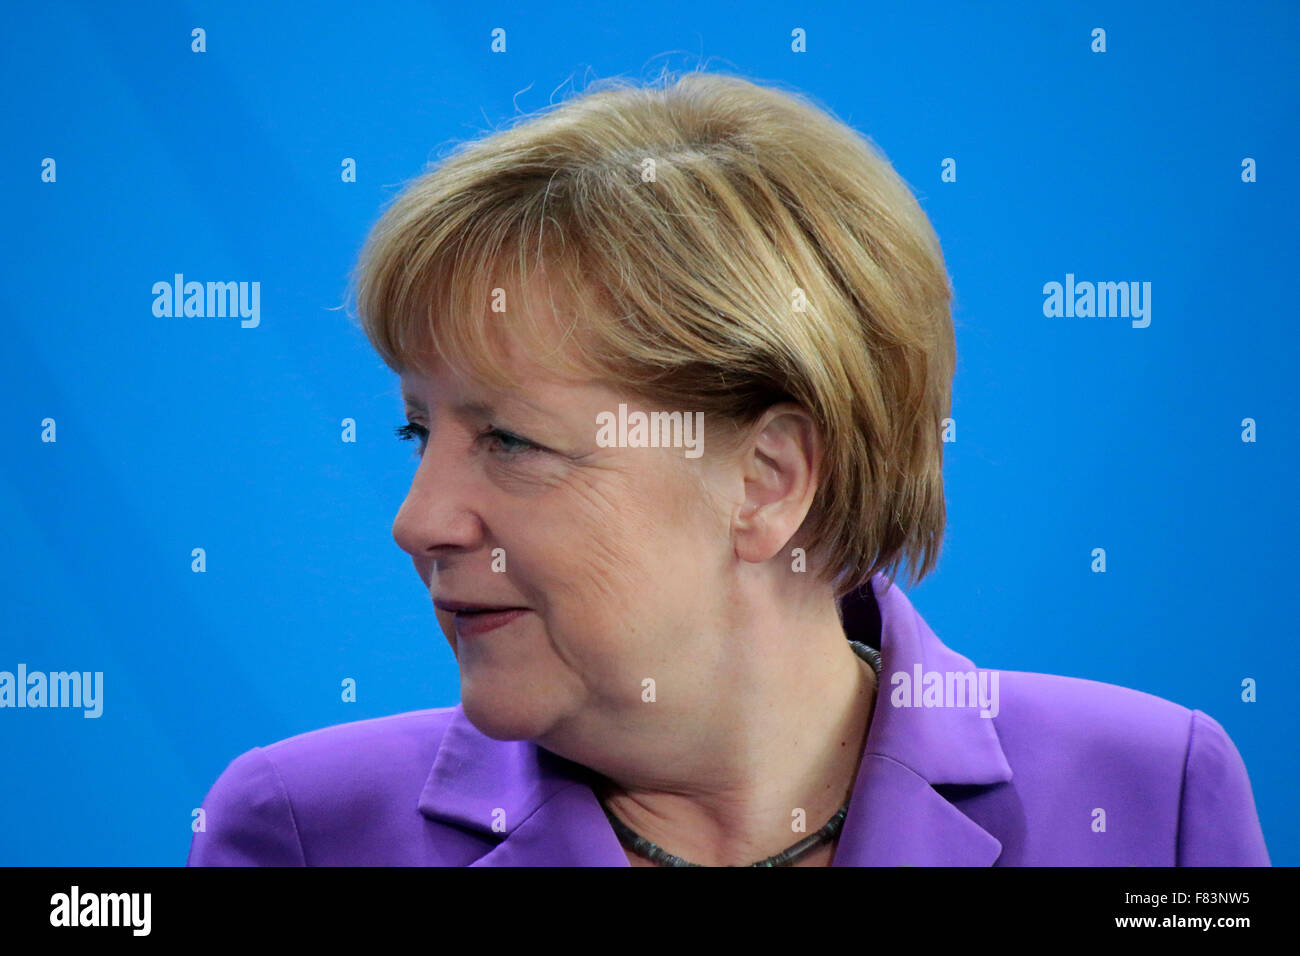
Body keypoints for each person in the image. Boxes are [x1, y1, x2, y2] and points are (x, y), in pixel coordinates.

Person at [188, 71, 1268, 866]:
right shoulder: (305, 829)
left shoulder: (1148, 794)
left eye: (510, 440)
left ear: (767, 478)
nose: (418, 521)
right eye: (420, 434)